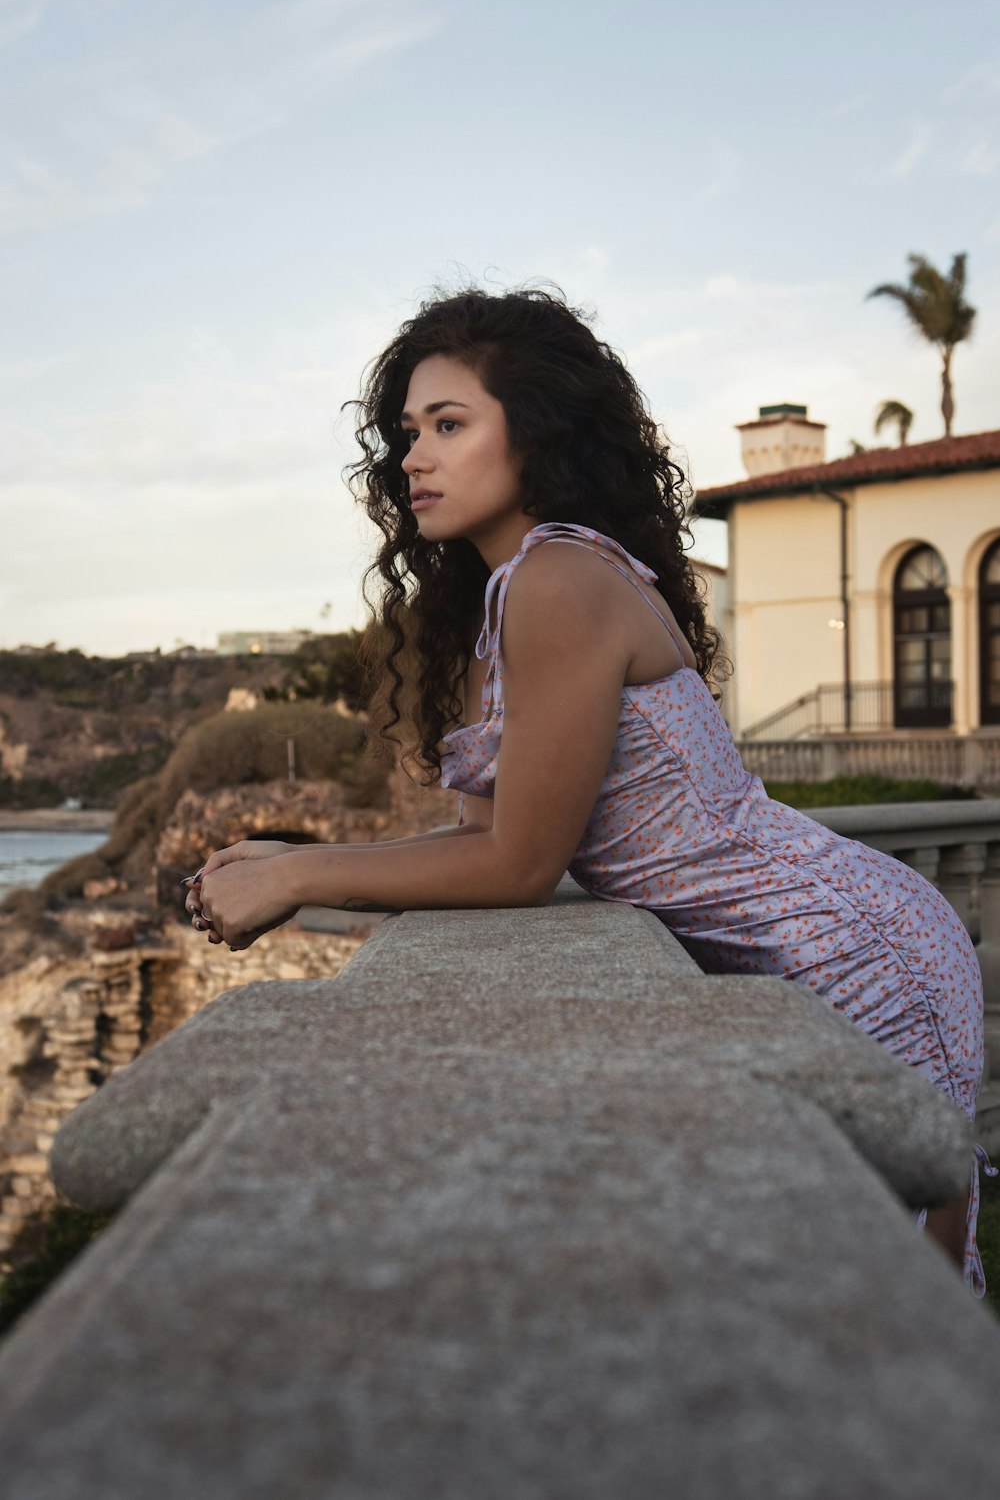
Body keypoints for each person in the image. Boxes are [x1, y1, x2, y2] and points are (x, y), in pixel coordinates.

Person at [184, 285, 990, 1294]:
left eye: (448, 424)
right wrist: (287, 861)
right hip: (815, 933)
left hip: (847, 949)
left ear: (538, 433)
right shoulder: (509, 596)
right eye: (405, 433)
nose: (413, 458)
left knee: (893, 1309)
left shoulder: (559, 581)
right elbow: (478, 837)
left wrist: (297, 875)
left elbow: (519, 865)